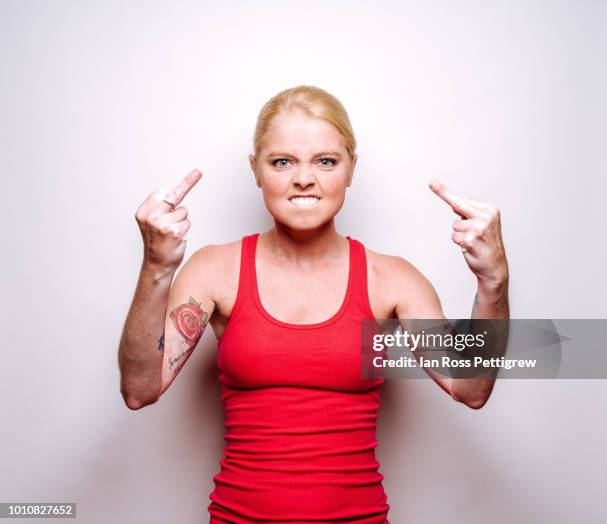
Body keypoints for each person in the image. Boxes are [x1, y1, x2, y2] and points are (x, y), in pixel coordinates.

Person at [118, 85, 510, 523]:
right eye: (282, 161)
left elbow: (471, 389)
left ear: (350, 169)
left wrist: (493, 281)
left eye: (325, 161)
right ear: (257, 171)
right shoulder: (215, 269)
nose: (304, 178)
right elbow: (139, 390)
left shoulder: (392, 279)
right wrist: (155, 265)